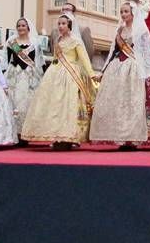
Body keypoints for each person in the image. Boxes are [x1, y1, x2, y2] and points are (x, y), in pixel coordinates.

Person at [90, 2, 150, 149]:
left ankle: (134, 137)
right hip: (118, 68)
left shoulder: (141, 30)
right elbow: (113, 52)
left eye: (126, 12)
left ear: (133, 13)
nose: (123, 14)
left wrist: (149, 73)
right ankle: (120, 136)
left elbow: (147, 53)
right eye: (121, 12)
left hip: (135, 69)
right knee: (119, 103)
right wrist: (103, 71)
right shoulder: (120, 30)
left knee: (134, 102)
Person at [21, 13, 96, 150]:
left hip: (70, 75)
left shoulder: (76, 41)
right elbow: (56, 58)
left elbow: (84, 59)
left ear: (69, 26)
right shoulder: (58, 40)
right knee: (54, 105)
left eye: (63, 24)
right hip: (55, 73)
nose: (61, 26)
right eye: (59, 24)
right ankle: (56, 136)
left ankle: (67, 138)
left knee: (67, 106)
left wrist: (92, 74)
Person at [4, 18, 45, 137]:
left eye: (23, 25)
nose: (21, 28)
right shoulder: (11, 42)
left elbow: (39, 62)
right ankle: (14, 132)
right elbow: (6, 60)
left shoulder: (34, 43)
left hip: (30, 76)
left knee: (28, 104)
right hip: (14, 75)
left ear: (28, 28)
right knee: (14, 102)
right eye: (19, 26)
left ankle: (27, 133)